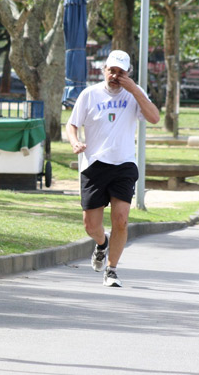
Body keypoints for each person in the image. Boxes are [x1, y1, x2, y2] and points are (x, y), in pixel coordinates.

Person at [65, 50, 160, 287]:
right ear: (103, 70)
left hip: (124, 164)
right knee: (91, 225)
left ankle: (112, 269)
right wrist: (75, 142)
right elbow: (72, 124)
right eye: (112, 71)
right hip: (94, 165)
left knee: (121, 220)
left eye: (121, 72)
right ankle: (101, 244)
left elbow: (155, 118)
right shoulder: (90, 94)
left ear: (128, 73)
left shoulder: (134, 95)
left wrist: (135, 90)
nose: (115, 76)